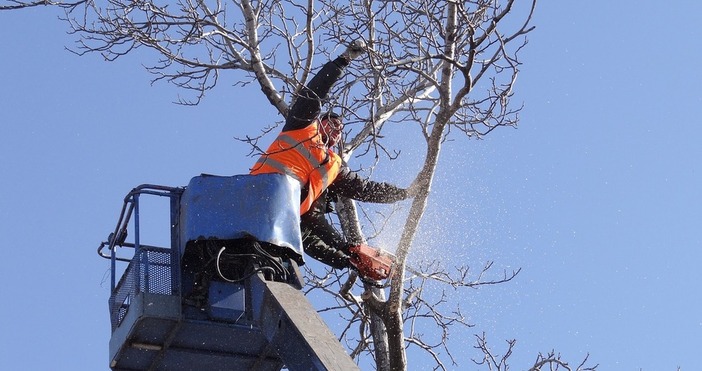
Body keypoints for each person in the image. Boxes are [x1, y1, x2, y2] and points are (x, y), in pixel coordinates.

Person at [250, 40, 419, 274]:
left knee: (294, 250)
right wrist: (343, 61)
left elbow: (363, 191)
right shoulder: (301, 127)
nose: (337, 130)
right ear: (320, 122)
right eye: (333, 123)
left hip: (278, 219)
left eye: (341, 129)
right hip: (257, 194)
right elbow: (315, 93)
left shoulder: (332, 168)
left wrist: (347, 257)